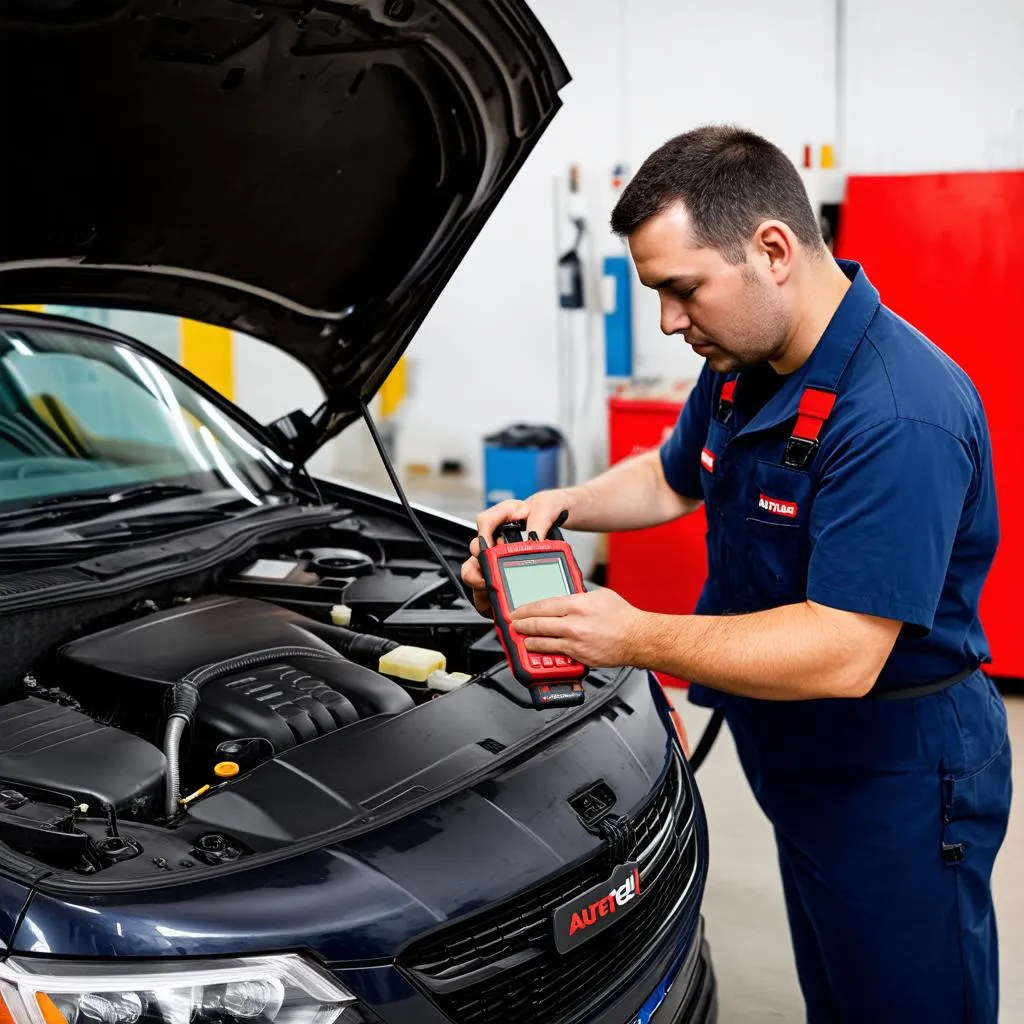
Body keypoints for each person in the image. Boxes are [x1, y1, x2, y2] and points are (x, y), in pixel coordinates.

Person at [461, 125, 1012, 1023]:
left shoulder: (899, 413)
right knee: (844, 988)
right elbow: (672, 476)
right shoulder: (746, 363)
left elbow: (842, 651)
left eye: (683, 290)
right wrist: (563, 504)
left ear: (772, 250)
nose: (672, 322)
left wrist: (633, 633)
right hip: (798, 751)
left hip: (898, 774)